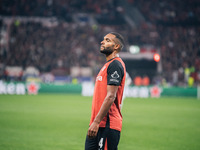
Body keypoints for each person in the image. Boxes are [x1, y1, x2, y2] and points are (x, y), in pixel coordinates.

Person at [85, 32, 126, 150]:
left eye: (107, 40)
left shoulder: (115, 65)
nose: (102, 42)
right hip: (98, 124)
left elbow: (110, 96)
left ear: (116, 46)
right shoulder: (107, 65)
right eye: (103, 39)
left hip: (107, 124)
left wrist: (96, 122)